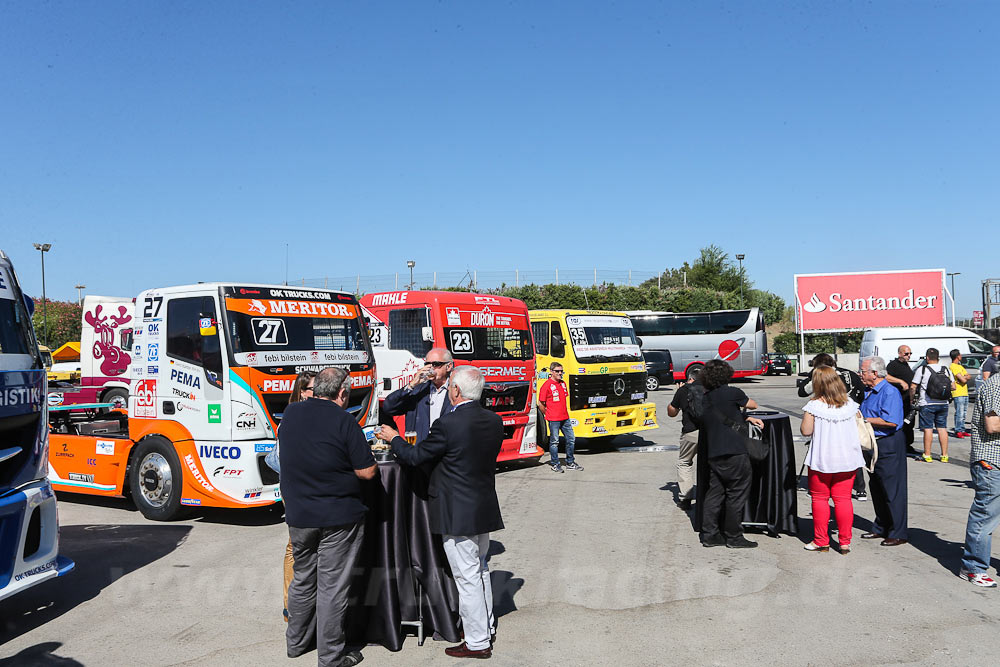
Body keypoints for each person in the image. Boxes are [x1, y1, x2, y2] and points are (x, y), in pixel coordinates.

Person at [382, 365, 504, 659]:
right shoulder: (493, 420)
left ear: (456, 391)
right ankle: (482, 629)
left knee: (468, 577)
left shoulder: (448, 424)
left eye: (450, 386)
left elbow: (414, 456)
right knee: (480, 570)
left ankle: (477, 642)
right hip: (481, 505)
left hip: (457, 509)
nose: (448, 389)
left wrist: (393, 438)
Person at [280, 367, 377, 667]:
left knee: (303, 579)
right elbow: (367, 471)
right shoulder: (344, 420)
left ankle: (295, 644)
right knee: (333, 587)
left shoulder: (291, 415)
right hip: (337, 516)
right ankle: (331, 658)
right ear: (342, 393)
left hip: (299, 515)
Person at [698, 359, 764, 549]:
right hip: (735, 451)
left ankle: (710, 535)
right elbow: (753, 404)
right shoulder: (733, 393)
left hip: (714, 452)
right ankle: (734, 537)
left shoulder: (706, 398)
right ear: (727, 374)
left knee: (715, 493)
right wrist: (744, 413)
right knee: (736, 494)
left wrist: (741, 416)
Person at [800, 367, 866, 553]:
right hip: (848, 459)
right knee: (843, 499)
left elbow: (806, 431)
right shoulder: (850, 404)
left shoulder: (814, 405)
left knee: (820, 499)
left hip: (822, 459)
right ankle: (845, 541)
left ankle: (821, 540)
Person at [270, 370, 317, 623]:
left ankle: (305, 603)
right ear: (302, 392)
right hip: (294, 488)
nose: (319, 394)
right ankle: (290, 606)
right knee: (294, 547)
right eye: (313, 389)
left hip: (308, 488)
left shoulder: (314, 414)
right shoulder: (290, 418)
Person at [797, 353, 867, 500]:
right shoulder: (850, 374)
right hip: (850, 414)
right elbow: (861, 394)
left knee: (820, 498)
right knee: (843, 496)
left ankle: (822, 490)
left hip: (826, 425)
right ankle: (860, 489)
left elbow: (802, 392)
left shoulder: (820, 381)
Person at [859, 357, 908, 546]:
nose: (860, 374)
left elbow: (892, 421)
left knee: (892, 489)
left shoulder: (889, 392)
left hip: (888, 443)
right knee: (877, 487)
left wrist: (864, 419)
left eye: (863, 371)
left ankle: (898, 531)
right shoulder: (868, 391)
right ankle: (881, 527)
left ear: (874, 373)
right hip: (872, 443)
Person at [959, 372, 1000, 587]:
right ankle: (972, 567)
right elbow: (992, 425)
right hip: (991, 461)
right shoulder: (996, 386)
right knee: (984, 515)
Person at [382, 347, 454, 443]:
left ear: (448, 366)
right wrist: (412, 384)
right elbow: (388, 407)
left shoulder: (456, 391)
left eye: (436, 364)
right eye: (427, 364)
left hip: (446, 449)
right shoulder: (418, 390)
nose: (430, 368)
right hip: (420, 450)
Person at [911, 347, 955, 463]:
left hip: (927, 403)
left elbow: (913, 386)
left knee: (928, 429)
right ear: (938, 358)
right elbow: (953, 386)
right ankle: (944, 455)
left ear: (927, 358)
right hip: (943, 403)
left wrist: (912, 399)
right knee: (942, 428)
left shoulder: (923, 369)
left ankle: (927, 454)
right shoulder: (946, 369)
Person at [667, 367, 702, 510]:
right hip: (711, 431)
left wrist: (678, 393)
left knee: (685, 462)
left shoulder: (684, 390)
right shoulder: (712, 388)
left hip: (691, 432)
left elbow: (672, 413)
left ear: (690, 378)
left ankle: (686, 498)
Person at [538, 362, 582, 472]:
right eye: (557, 371)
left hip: (565, 418)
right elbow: (540, 403)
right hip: (553, 419)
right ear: (551, 372)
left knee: (571, 439)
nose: (560, 373)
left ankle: (570, 462)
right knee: (554, 442)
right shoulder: (546, 385)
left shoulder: (563, 383)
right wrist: (547, 414)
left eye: (561, 371)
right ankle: (555, 464)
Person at [886, 345, 920, 457]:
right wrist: (900, 381)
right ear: (900, 353)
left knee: (909, 424)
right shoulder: (893, 365)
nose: (909, 356)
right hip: (900, 400)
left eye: (910, 353)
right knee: (903, 423)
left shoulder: (906, 365)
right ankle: (902, 446)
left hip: (908, 400)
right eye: (906, 354)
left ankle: (907, 445)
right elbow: (885, 376)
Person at [950, 349, 971, 439]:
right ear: (957, 356)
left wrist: (963, 378)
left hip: (964, 392)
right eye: (960, 355)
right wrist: (963, 378)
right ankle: (958, 430)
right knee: (959, 412)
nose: (961, 356)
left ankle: (962, 429)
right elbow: (963, 379)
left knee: (964, 412)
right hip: (958, 393)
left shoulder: (960, 366)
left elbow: (968, 376)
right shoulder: (953, 366)